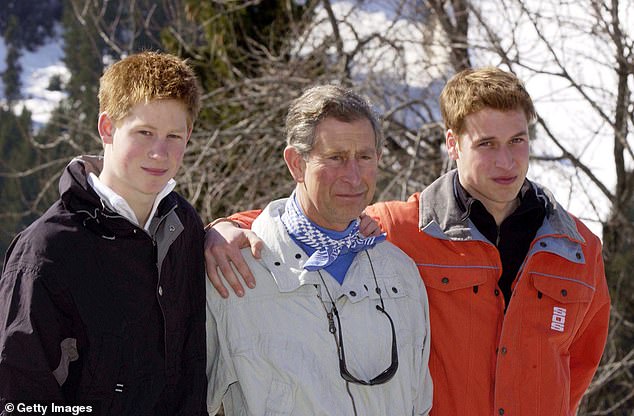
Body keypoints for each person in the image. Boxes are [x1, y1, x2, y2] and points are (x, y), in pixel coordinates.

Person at [204, 68, 611, 416]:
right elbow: (312, 219)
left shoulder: (579, 248)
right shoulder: (401, 229)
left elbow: (579, 363)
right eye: (486, 144)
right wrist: (220, 228)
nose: (506, 162)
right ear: (452, 144)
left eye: (517, 141)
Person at [0, 52, 207, 415]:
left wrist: (228, 228)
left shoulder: (184, 226)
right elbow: (19, 401)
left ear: (188, 135)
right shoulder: (46, 252)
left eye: (174, 135)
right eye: (144, 132)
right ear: (107, 128)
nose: (160, 152)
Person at [205, 85, 432, 415]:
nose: (353, 177)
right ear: (296, 163)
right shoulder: (233, 274)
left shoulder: (401, 274)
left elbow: (420, 404)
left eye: (364, 157)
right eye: (336, 158)